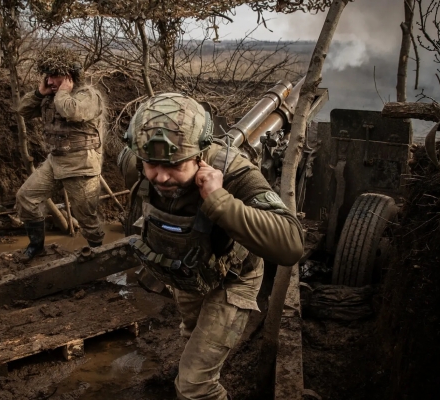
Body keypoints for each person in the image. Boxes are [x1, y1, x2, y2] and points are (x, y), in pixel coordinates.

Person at [120, 92, 305, 399]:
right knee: (192, 336)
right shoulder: (134, 161)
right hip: (188, 273)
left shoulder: (235, 173)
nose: (161, 176)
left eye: (175, 165)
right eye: (151, 164)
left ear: (200, 156)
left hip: (233, 279)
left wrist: (219, 201)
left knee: (194, 386)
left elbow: (291, 243)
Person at [15, 48, 106, 260]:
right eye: (46, 76)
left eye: (54, 76)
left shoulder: (88, 96)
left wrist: (63, 91)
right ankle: (36, 247)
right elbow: (22, 109)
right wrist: (39, 93)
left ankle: (101, 256)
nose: (49, 81)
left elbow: (72, 112)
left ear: (69, 76)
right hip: (55, 161)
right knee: (26, 198)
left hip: (81, 164)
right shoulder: (50, 97)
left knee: (87, 218)